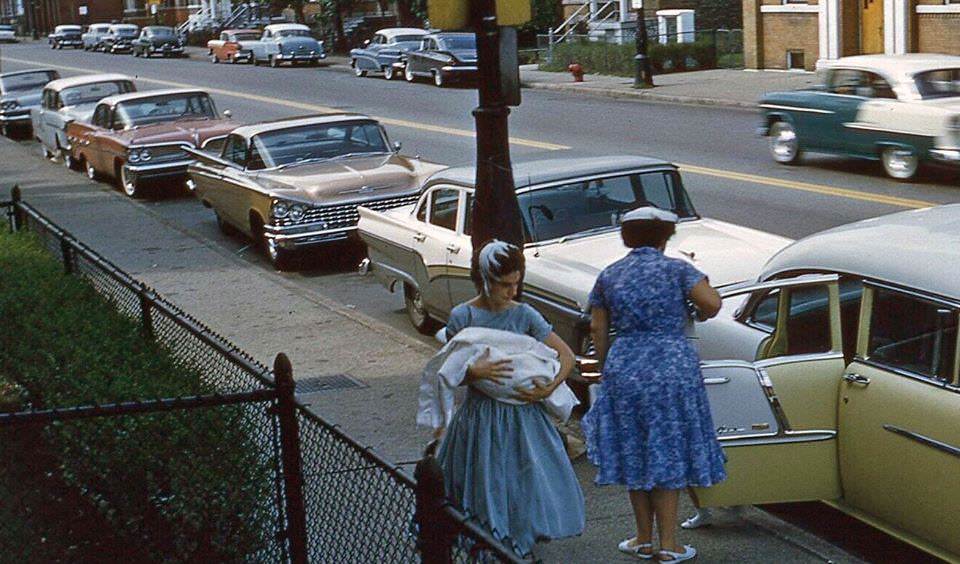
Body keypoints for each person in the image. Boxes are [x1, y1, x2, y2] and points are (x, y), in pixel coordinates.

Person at [581, 207, 726, 562]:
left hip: (626, 365)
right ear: (665, 236)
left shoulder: (610, 275)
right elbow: (712, 305)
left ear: (627, 237)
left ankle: (643, 538)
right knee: (668, 450)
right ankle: (670, 544)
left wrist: (606, 368)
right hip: (672, 366)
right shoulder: (678, 269)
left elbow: (598, 329)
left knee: (636, 450)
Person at [433, 239, 585, 556]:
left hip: (524, 417)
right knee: (485, 482)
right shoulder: (463, 316)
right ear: (485, 280)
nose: (511, 292)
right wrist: (474, 373)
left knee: (523, 482)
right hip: (481, 417)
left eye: (516, 284)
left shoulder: (525, 315)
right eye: (504, 285)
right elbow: (448, 372)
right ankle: (489, 544)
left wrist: (549, 387)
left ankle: (519, 545)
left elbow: (567, 356)